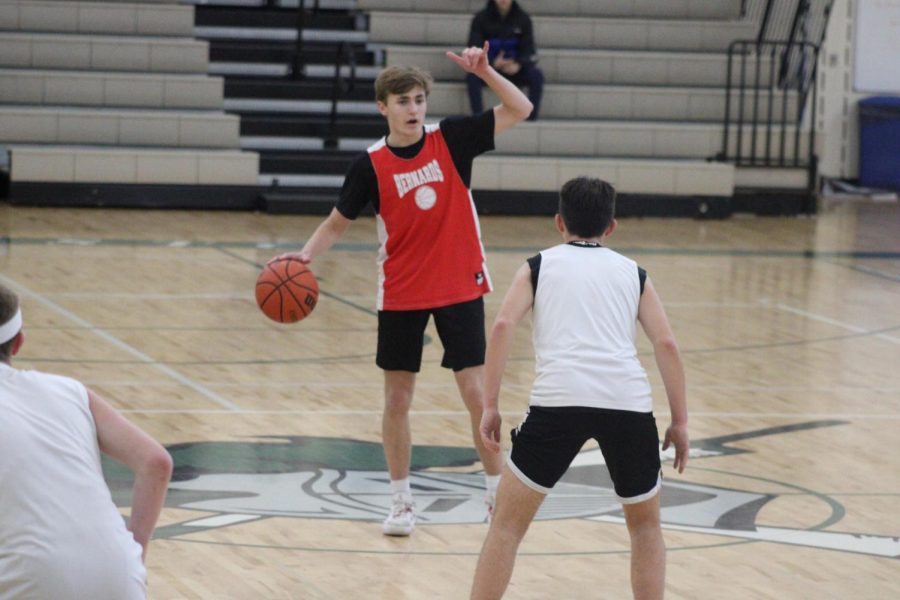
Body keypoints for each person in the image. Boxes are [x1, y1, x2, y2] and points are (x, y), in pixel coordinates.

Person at [272, 44, 532, 536]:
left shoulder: (452, 139)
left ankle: (498, 491)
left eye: (418, 100)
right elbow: (336, 224)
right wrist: (304, 256)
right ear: (382, 107)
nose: (414, 110)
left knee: (477, 395)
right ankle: (400, 502)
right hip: (401, 291)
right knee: (397, 401)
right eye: (403, 102)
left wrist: (486, 72)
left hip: (458, 284)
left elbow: (521, 108)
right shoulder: (369, 165)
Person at [469, 177, 689, 599]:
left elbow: (501, 326)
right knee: (645, 528)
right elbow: (666, 343)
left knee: (507, 526)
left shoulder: (537, 265)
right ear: (611, 227)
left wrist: (491, 405)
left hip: (558, 404)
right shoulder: (634, 273)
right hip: (627, 404)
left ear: (558, 222)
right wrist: (680, 421)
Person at [0, 284, 173, 599]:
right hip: (120, 575)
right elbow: (156, 461)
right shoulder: (71, 391)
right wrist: (134, 551)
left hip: (31, 579)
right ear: (19, 342)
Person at [466, 0, 544, 121]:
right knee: (472, 77)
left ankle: (530, 118)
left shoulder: (523, 19)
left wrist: (518, 64)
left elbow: (529, 50)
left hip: (515, 70)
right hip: (488, 70)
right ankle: (479, 119)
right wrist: (491, 63)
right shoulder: (480, 19)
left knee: (536, 76)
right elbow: (473, 47)